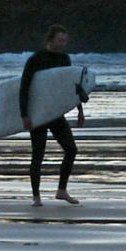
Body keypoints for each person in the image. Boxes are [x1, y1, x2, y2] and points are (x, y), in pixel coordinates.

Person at [20, 24, 83, 206]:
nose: (63, 44)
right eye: (60, 40)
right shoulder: (35, 60)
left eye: (65, 41)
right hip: (38, 113)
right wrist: (24, 114)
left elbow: (71, 86)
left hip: (55, 112)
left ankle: (61, 190)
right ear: (50, 40)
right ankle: (36, 197)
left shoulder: (64, 59)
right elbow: (24, 88)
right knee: (38, 155)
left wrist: (79, 110)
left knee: (71, 149)